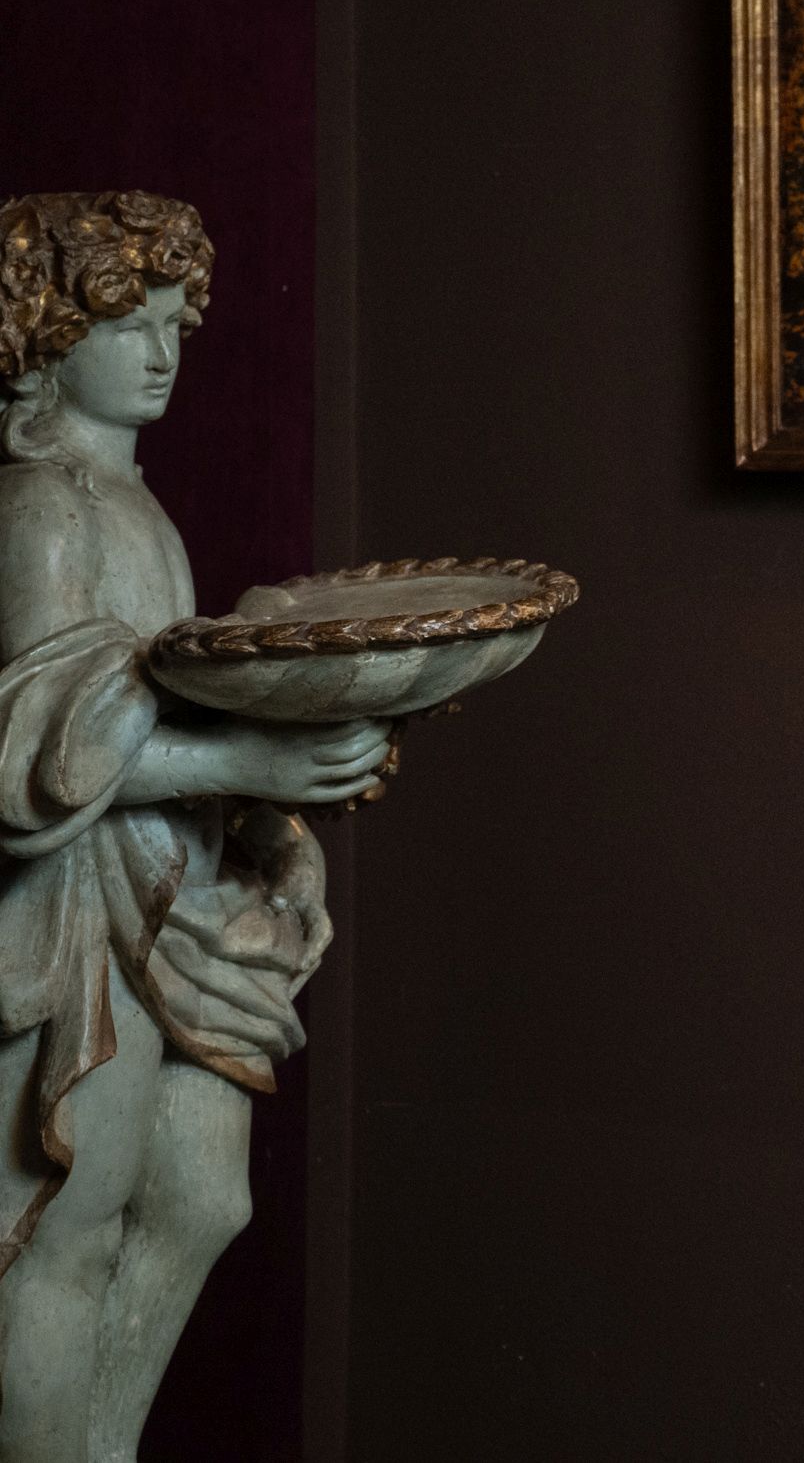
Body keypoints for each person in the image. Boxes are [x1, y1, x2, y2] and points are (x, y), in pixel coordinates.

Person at [0, 192, 389, 1459]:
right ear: (50, 334)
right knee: (69, 1221)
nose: (163, 352)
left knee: (204, 1197)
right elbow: (31, 751)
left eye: (177, 323)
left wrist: (268, 814)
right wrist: (242, 756)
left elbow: (145, 710)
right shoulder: (43, 504)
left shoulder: (137, 505)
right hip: (71, 910)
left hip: (171, 887)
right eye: (131, 322)